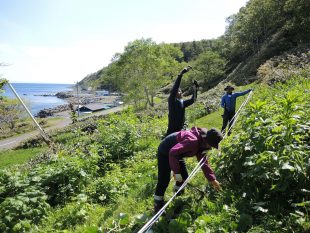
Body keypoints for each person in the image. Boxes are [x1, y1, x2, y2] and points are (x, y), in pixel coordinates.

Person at [154, 127, 223, 213]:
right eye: (211, 146)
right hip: (165, 151)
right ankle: (158, 203)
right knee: (164, 179)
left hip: (177, 154)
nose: (211, 148)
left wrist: (213, 179)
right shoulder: (193, 142)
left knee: (184, 177)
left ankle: (178, 196)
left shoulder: (202, 143)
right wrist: (176, 172)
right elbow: (172, 152)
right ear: (207, 141)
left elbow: (204, 163)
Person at [166, 66, 199, 136]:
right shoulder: (172, 100)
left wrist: (196, 89)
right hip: (172, 131)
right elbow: (175, 88)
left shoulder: (182, 102)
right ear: (174, 94)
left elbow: (193, 100)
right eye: (178, 91)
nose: (180, 92)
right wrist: (181, 74)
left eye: (181, 91)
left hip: (181, 130)